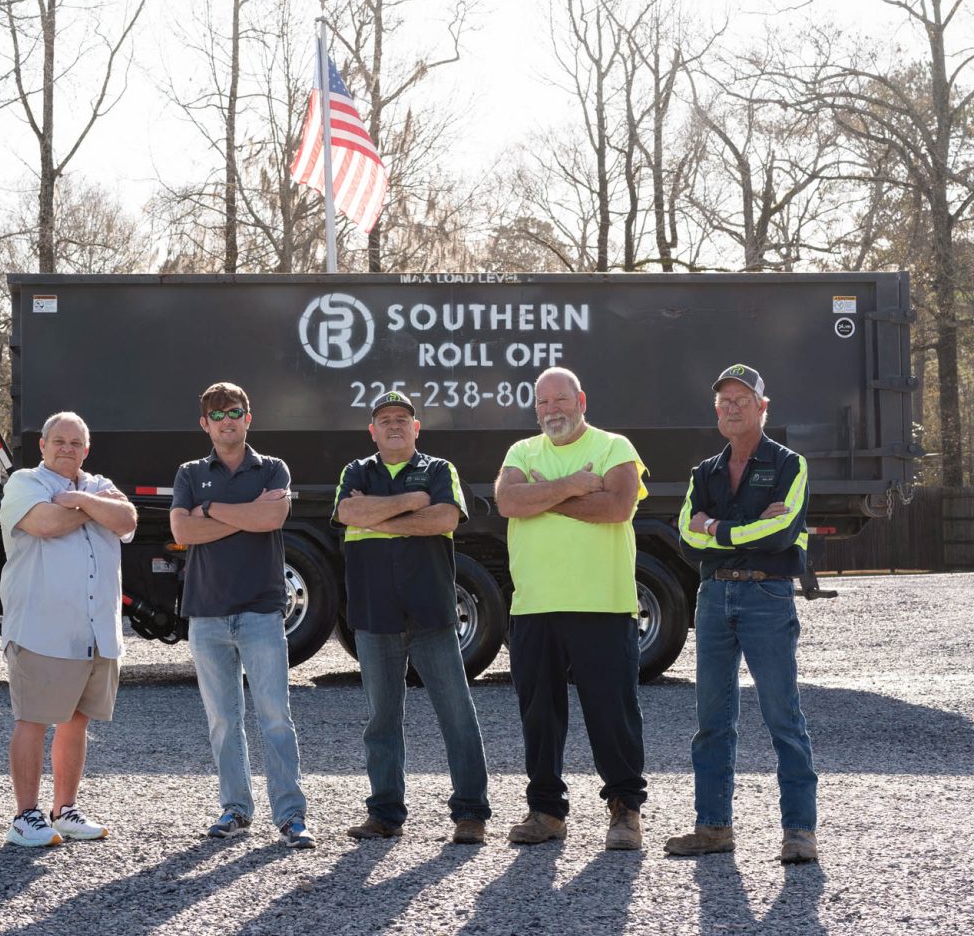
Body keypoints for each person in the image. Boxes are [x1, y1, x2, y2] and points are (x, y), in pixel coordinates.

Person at [667, 364, 818, 864]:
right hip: (713, 598)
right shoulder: (703, 472)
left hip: (766, 598)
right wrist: (739, 526)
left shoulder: (790, 465)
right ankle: (713, 828)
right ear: (717, 410)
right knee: (712, 721)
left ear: (762, 406)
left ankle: (800, 832)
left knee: (783, 717)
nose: (732, 407)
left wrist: (719, 529)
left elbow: (779, 535)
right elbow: (686, 537)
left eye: (742, 398)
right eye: (724, 400)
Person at [494, 366, 648, 851]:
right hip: (535, 606)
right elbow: (507, 501)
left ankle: (625, 811)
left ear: (580, 400)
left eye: (559, 400)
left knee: (611, 714)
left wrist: (544, 496)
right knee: (539, 716)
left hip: (602, 603)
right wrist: (576, 486)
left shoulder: (613, 447)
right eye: (542, 402)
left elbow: (616, 507)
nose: (551, 410)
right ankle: (545, 812)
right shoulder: (521, 452)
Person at [334, 391, 493, 843]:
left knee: (457, 715)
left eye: (402, 418)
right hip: (374, 614)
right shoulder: (355, 472)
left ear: (416, 427)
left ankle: (471, 813)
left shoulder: (440, 470)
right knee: (381, 720)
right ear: (372, 430)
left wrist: (377, 516)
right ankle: (384, 813)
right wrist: (410, 502)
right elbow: (347, 512)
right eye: (384, 420)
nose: (394, 426)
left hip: (430, 613)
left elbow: (443, 518)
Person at [169, 382, 314, 849]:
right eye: (217, 414)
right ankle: (235, 809)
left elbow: (271, 520)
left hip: (261, 612)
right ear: (205, 424)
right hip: (207, 615)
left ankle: (291, 816)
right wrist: (244, 513)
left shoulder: (272, 468)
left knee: (275, 716)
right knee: (223, 721)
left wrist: (210, 511)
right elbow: (182, 531)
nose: (227, 419)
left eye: (235, 411)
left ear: (248, 418)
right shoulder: (189, 473)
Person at [0, 411, 138, 848]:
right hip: (43, 629)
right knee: (33, 720)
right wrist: (98, 509)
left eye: (76, 443)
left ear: (87, 450)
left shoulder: (94, 486)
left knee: (76, 721)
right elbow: (44, 524)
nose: (67, 449)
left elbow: (129, 520)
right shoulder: (25, 483)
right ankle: (25, 816)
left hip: (93, 630)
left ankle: (65, 810)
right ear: (42, 445)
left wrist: (81, 503)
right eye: (59, 441)